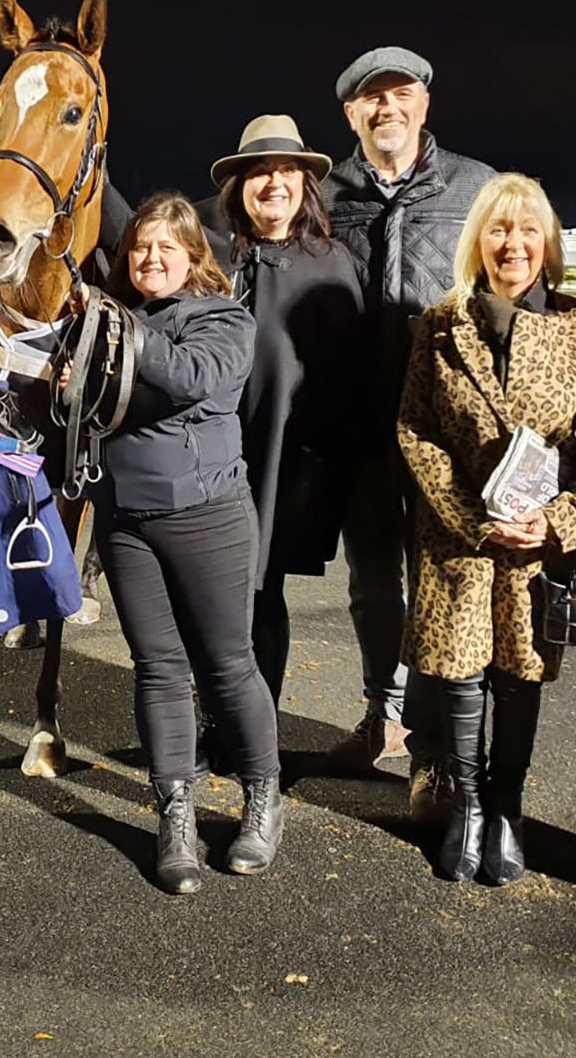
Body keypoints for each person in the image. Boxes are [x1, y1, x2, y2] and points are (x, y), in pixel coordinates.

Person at [395, 174, 576, 885]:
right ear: (479, 241)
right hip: (460, 537)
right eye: (498, 229)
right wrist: (470, 516)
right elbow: (416, 427)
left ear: (547, 243)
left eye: (527, 230)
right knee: (461, 673)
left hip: (536, 543)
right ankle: (466, 804)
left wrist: (555, 524)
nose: (512, 243)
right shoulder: (441, 322)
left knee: (520, 673)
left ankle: (507, 807)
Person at [319, 46, 496, 817]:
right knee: (370, 583)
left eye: (400, 95)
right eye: (370, 99)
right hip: (357, 424)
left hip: (443, 430)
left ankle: (433, 749)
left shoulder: (475, 186)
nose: (386, 108)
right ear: (351, 114)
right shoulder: (325, 194)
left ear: (425, 104)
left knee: (439, 586)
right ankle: (382, 713)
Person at [87, 192, 279, 895]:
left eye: (167, 246)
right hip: (126, 520)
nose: (150, 258)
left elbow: (194, 376)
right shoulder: (115, 319)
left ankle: (262, 797)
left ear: (195, 255)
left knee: (228, 666)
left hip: (210, 516)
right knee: (158, 668)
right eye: (140, 247)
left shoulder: (224, 320)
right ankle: (176, 811)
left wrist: (118, 330)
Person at [209, 114, 364, 709]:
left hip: (281, 464)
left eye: (286, 172)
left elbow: (345, 380)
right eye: (259, 172)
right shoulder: (210, 256)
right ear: (238, 186)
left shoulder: (329, 264)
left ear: (304, 185)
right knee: (208, 596)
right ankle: (210, 722)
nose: (273, 184)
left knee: (260, 593)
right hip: (208, 461)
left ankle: (256, 731)